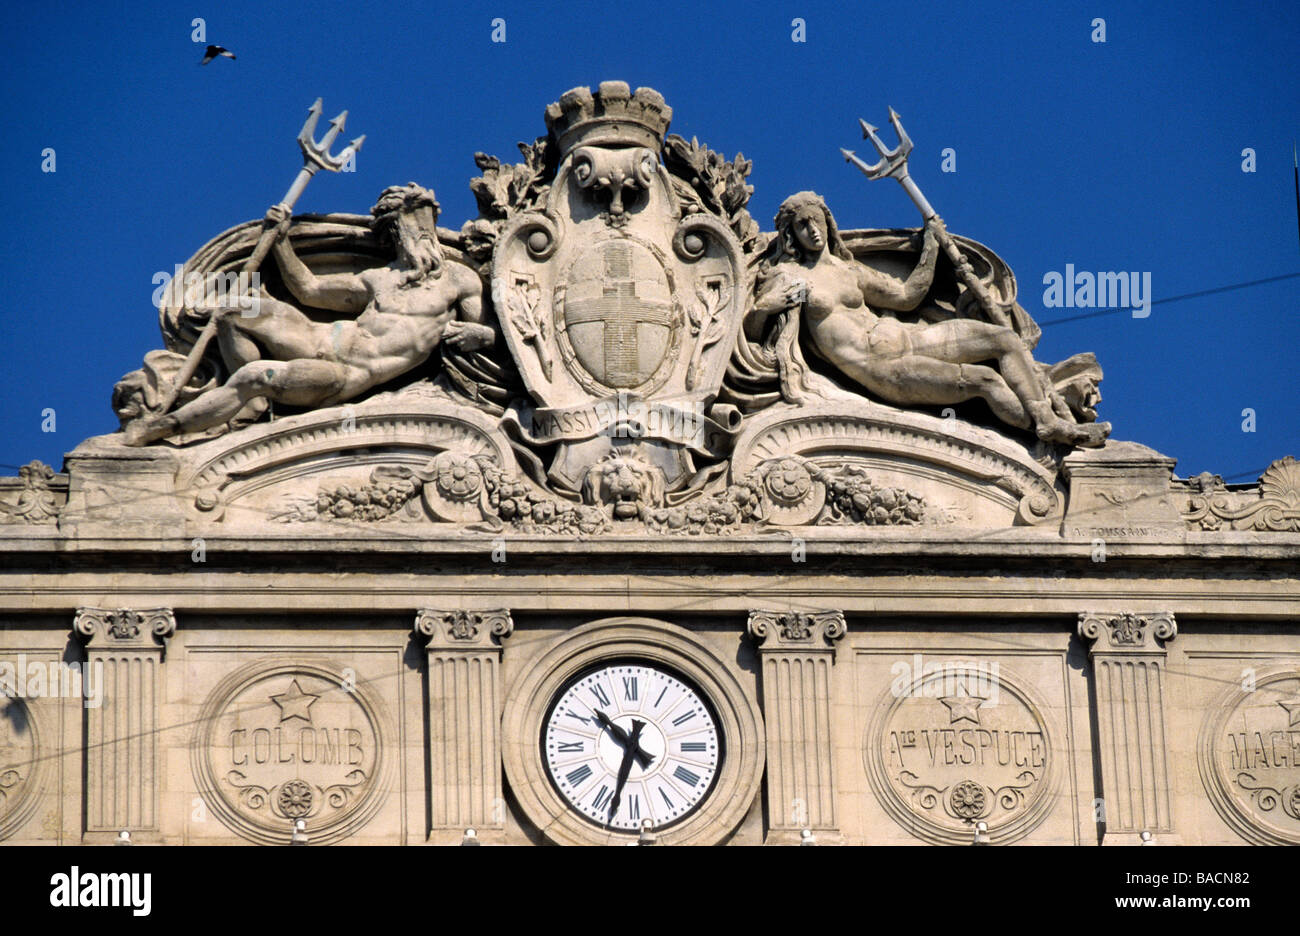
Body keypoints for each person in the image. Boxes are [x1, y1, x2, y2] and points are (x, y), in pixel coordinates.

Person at [123, 183, 493, 445]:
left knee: (255, 374)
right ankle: (250, 406)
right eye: (407, 225)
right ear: (392, 233)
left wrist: (482, 336)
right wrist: (280, 238)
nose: (419, 234)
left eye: (423, 222)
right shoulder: (379, 278)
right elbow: (309, 289)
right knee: (235, 310)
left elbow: (487, 336)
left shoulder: (458, 280)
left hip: (344, 373)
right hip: (320, 336)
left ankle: (165, 426)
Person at [749, 192, 1109, 447]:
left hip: (908, 337)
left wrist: (931, 247)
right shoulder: (788, 275)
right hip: (882, 368)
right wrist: (770, 305)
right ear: (790, 234)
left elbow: (907, 297)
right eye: (801, 225)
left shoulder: (849, 270)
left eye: (816, 220)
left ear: (828, 222)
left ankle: (1046, 419)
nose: (812, 230)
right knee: (984, 380)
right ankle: (1041, 430)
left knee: (1005, 340)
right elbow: (751, 331)